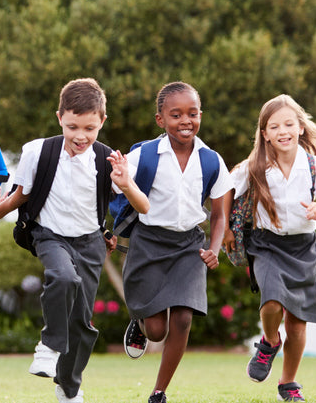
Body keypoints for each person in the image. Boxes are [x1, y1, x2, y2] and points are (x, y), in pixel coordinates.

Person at [0, 78, 148, 403]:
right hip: (49, 235)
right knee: (62, 276)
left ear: (102, 121)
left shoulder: (109, 160)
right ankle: (48, 344)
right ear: (60, 116)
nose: (80, 136)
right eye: (72, 126)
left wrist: (126, 183)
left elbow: (143, 206)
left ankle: (69, 385)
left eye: (89, 128)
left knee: (82, 323)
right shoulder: (37, 152)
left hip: (90, 242)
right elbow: (22, 195)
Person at [119, 82, 233, 403]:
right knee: (157, 330)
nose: (186, 121)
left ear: (200, 116)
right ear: (160, 120)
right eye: (176, 114)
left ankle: (159, 391)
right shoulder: (144, 155)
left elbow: (219, 214)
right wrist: (120, 177)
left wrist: (215, 247)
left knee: (183, 317)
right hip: (149, 242)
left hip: (189, 246)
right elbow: (118, 187)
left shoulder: (211, 160)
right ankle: (141, 324)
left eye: (192, 114)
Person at [224, 95, 316, 402]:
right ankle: (270, 341)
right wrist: (227, 230)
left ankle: (288, 382)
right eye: (274, 126)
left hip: (303, 248)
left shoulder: (315, 166)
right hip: (266, 245)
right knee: (271, 304)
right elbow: (225, 191)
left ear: (299, 127)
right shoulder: (253, 167)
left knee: (297, 325)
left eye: (288, 123)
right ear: (264, 133)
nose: (282, 130)